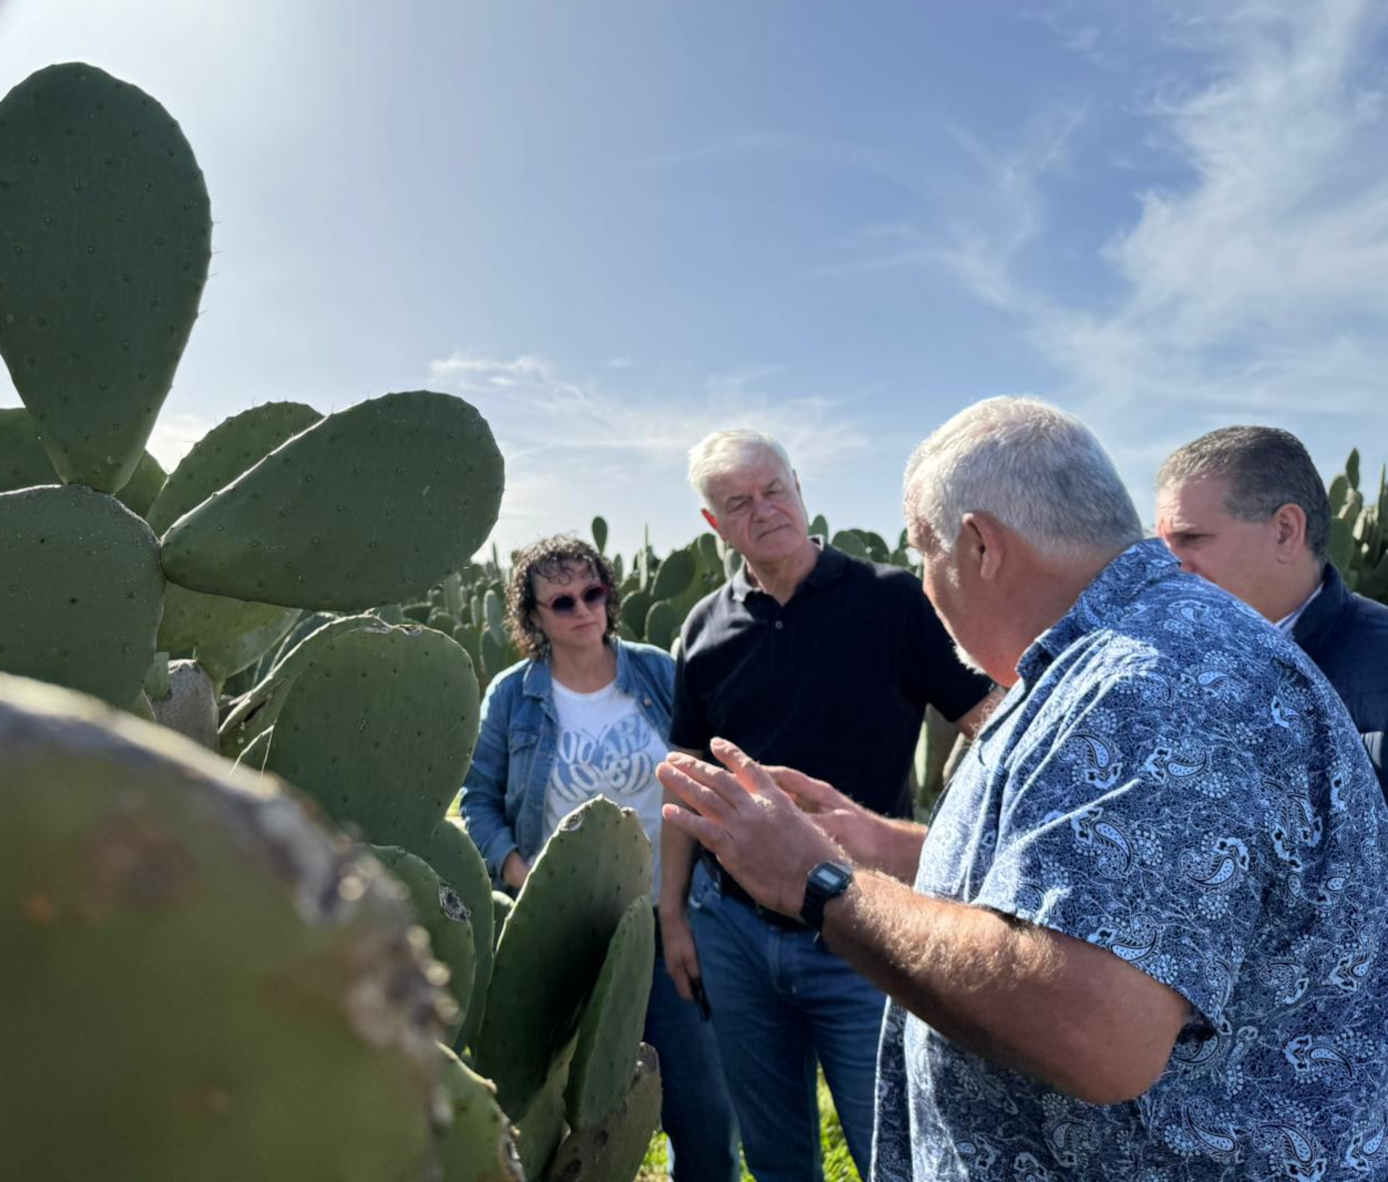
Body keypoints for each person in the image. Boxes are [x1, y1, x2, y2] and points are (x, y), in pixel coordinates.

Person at [658, 398, 1388, 1181]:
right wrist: (886, 847)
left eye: (924, 552)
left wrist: (821, 883)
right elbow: (1076, 885)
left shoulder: (1158, 686)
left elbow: (1095, 1027)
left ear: (979, 546)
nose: (926, 584)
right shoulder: (1105, 663)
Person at [661, 430, 1001, 1182]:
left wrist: (941, 844)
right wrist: (674, 912)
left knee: (895, 1148)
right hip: (736, 934)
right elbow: (684, 780)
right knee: (775, 1153)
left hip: (862, 925)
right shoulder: (704, 628)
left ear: (799, 488)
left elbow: (989, 719)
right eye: (739, 503)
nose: (765, 510)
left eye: (773, 488)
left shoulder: (889, 600)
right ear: (716, 525)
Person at [459, 534, 739, 1182]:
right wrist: (520, 874)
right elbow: (477, 799)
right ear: (533, 619)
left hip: (666, 918)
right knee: (556, 1110)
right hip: (561, 927)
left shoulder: (658, 673)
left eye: (594, 593)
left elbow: (706, 773)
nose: (584, 609)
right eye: (562, 602)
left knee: (701, 1105)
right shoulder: (512, 697)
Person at [1156, 425, 1388, 798]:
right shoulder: (1156, 673)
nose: (1169, 564)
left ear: (1285, 531)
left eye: (1191, 538)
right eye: (1162, 543)